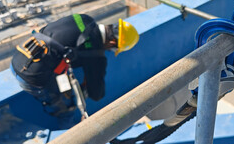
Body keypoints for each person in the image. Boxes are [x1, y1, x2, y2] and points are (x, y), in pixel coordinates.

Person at [10, 14, 139, 117]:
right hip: (30, 76)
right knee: (65, 107)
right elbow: (96, 94)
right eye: (112, 48)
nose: (108, 51)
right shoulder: (96, 55)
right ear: (111, 42)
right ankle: (67, 131)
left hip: (19, 55)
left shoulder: (84, 18)